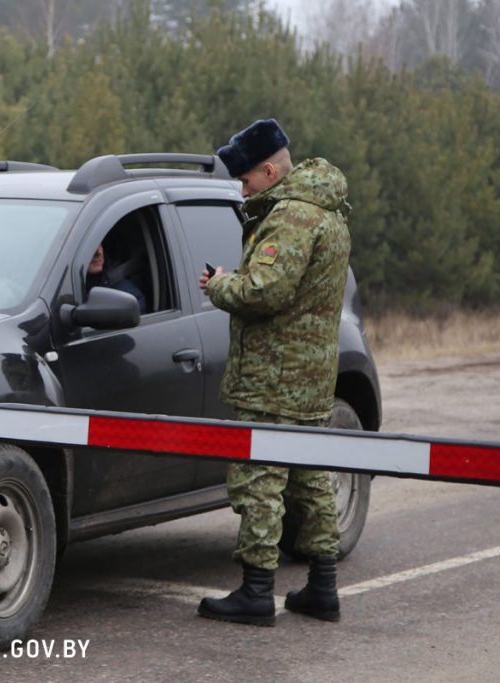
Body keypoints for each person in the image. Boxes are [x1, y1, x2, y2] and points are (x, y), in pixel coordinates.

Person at [197, 118, 351, 626]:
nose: (242, 189)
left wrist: (221, 284)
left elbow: (265, 291)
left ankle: (256, 592)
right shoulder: (329, 212)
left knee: (259, 482)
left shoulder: (290, 218)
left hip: (272, 381)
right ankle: (323, 588)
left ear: (269, 171)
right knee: (310, 479)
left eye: (245, 180)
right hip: (309, 378)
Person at [86, 243, 147, 313]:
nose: (98, 253)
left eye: (99, 245)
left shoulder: (129, 295)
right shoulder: (72, 284)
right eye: (90, 247)